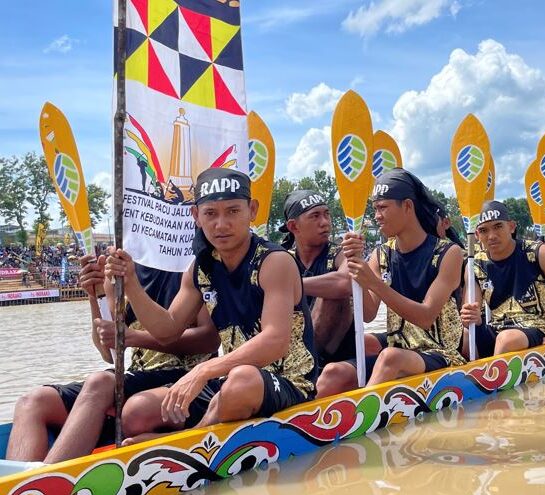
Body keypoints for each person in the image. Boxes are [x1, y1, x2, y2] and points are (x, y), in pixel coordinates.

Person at [106, 167, 317, 444]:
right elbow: (167, 330)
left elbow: (275, 341)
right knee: (135, 413)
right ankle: (194, 433)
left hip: (289, 382)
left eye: (232, 211)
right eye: (210, 214)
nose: (221, 224)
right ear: (195, 216)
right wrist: (131, 282)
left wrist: (202, 370)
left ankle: (189, 442)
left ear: (252, 210)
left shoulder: (274, 261)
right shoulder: (201, 268)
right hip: (230, 380)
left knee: (242, 380)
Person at [7, 258, 217, 463]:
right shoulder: (117, 271)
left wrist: (133, 337)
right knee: (34, 401)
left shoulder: (190, 266)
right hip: (141, 375)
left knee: (101, 383)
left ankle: (46, 484)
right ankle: (16, 489)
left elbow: (209, 340)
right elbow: (109, 353)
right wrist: (94, 294)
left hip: (188, 376)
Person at [315, 169, 465, 397]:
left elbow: (425, 317)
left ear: (407, 206)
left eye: (383, 207)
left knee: (389, 358)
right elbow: (368, 314)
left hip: (441, 352)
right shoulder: (381, 254)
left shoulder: (449, 252)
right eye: (374, 209)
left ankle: (362, 416)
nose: (376, 216)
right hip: (400, 346)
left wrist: (374, 283)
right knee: (332, 374)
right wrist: (358, 273)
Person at [461, 200, 545, 361]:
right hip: (497, 328)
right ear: (477, 235)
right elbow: (471, 313)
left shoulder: (537, 251)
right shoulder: (474, 264)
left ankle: (494, 383)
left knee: (506, 339)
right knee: (464, 337)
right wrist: (470, 315)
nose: (492, 236)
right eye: (483, 230)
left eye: (498, 226)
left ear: (512, 226)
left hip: (538, 328)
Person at [279, 190, 355, 367]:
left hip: (338, 358)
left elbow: (346, 282)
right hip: (292, 354)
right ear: (293, 227)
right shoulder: (282, 260)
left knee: (333, 291)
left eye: (327, 214)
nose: (325, 222)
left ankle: (307, 363)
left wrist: (290, 286)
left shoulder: (340, 253)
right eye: (315, 216)